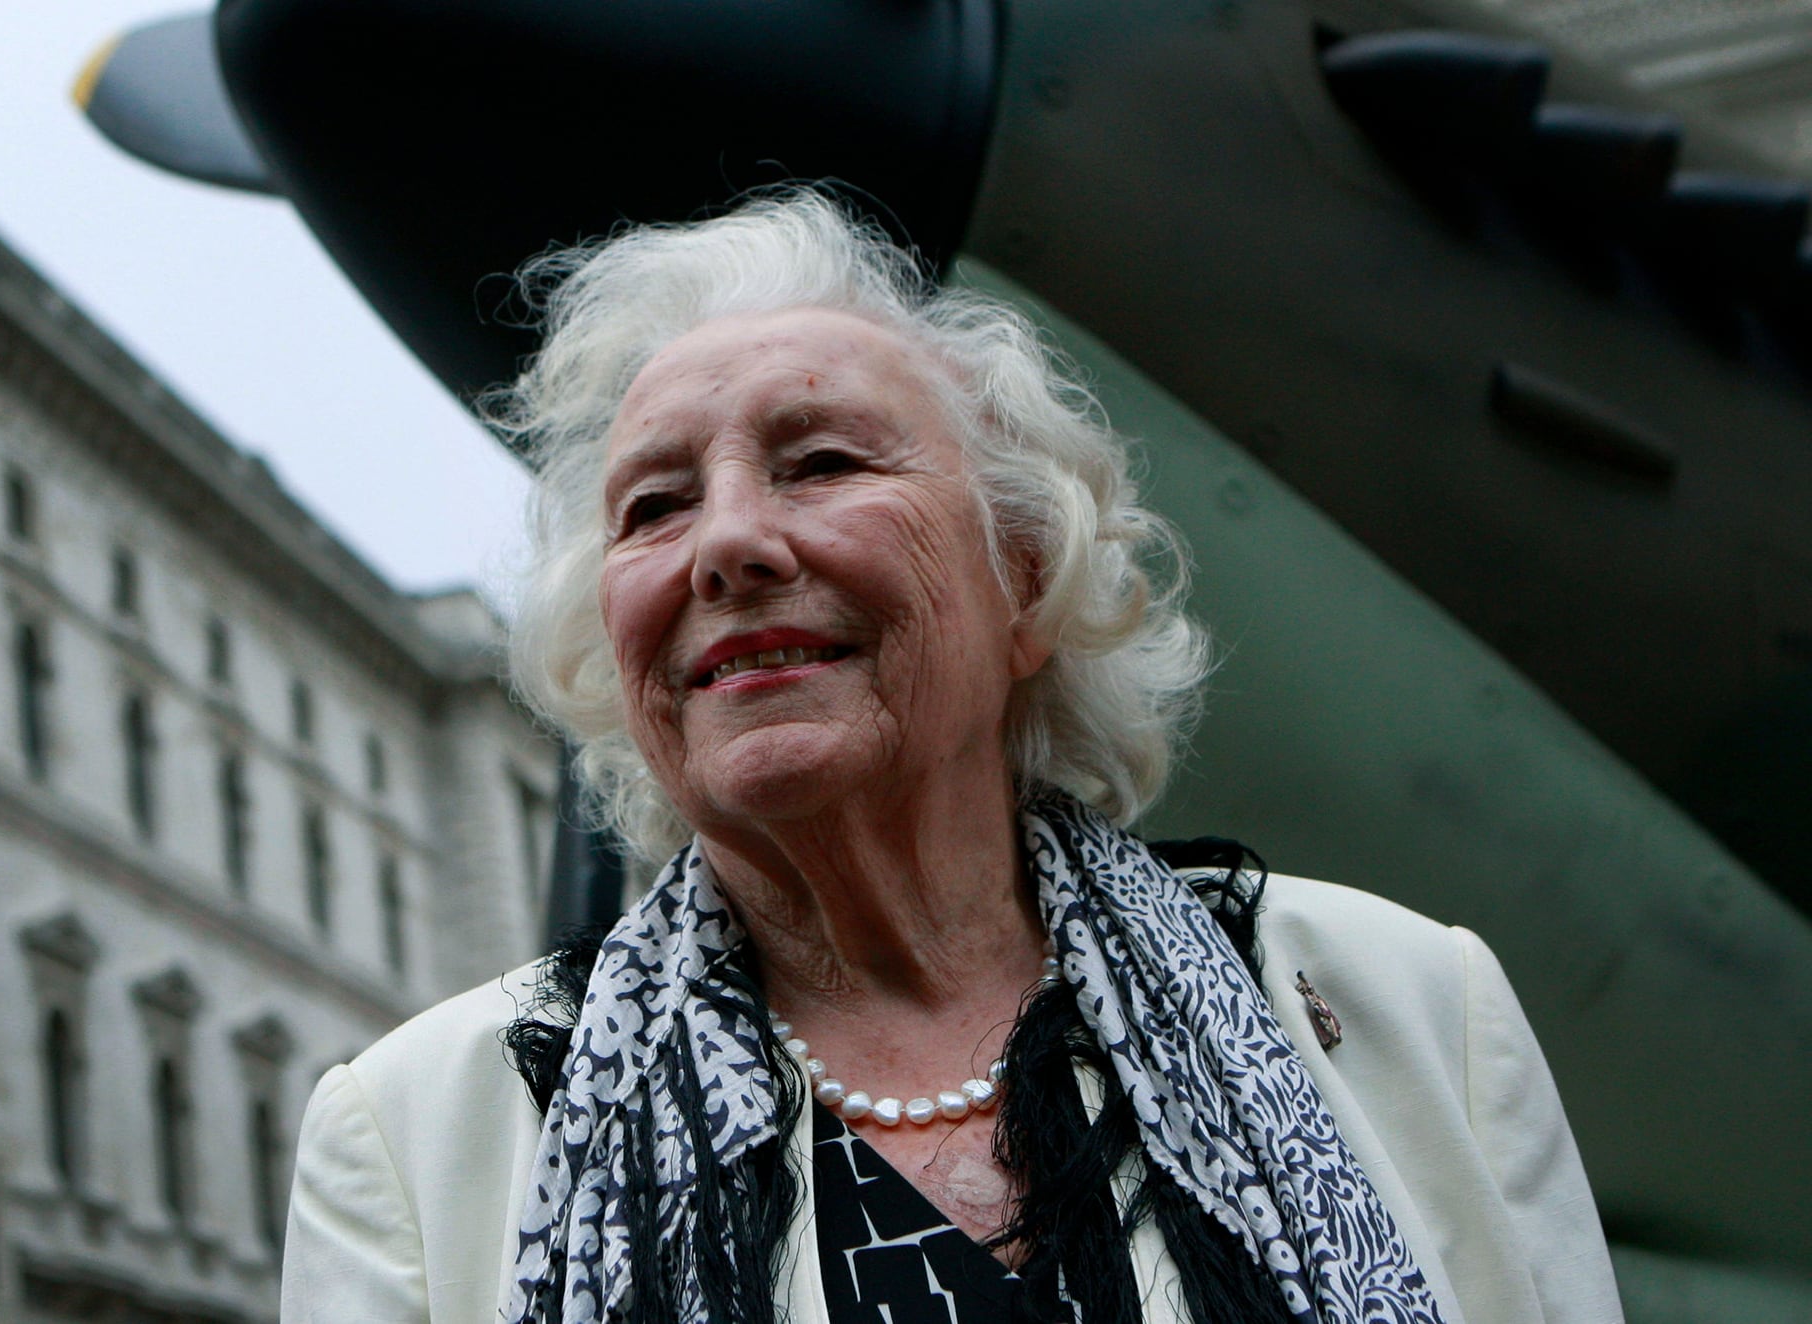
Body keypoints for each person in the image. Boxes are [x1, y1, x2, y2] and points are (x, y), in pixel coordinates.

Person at [281, 191, 1621, 1323]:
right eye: (656, 506)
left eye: (818, 462)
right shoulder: (413, 1139)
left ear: (1026, 583)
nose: (728, 544)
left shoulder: (1418, 1013)